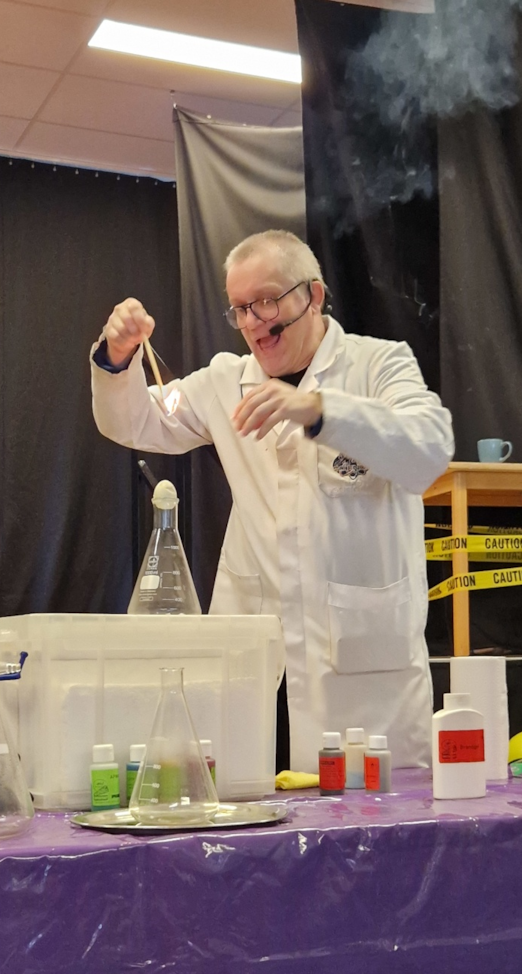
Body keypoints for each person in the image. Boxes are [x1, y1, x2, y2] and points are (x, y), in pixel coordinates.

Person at [91, 230, 453, 770]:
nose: (254, 321)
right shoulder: (224, 381)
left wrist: (318, 410)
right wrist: (116, 357)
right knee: (250, 796)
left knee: (367, 810)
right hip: (260, 672)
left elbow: (429, 450)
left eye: (266, 300)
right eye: (240, 308)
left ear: (314, 295)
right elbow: (137, 420)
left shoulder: (378, 365)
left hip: (361, 677)